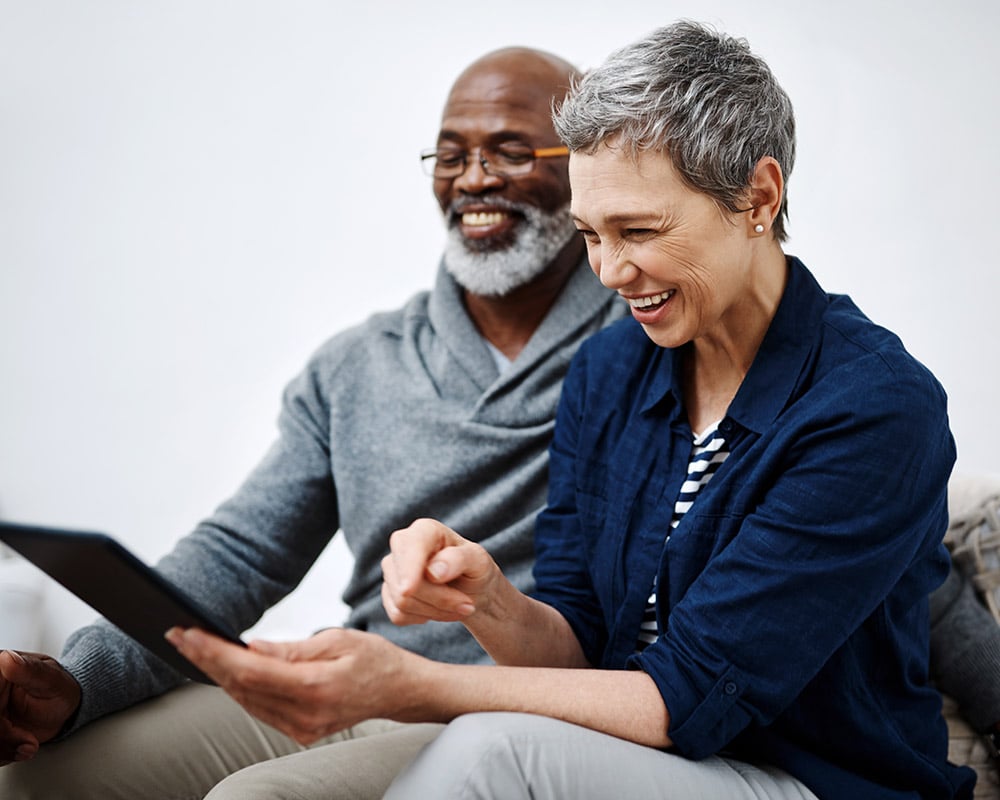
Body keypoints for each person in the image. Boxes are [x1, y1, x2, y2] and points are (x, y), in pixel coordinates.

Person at [162, 21, 979, 799]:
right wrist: (487, 598)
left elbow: (684, 696)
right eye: (590, 234)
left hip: (809, 780)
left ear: (758, 197)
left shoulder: (874, 408)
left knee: (491, 753)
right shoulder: (611, 368)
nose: (611, 271)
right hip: (643, 760)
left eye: (639, 230)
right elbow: (579, 644)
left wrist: (410, 684)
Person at [0, 46, 627, 799]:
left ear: (587, 166)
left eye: (511, 151)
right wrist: (79, 680)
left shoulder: (643, 345)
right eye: (450, 155)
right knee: (45, 778)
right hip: (358, 682)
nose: (473, 179)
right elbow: (240, 557)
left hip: (509, 713)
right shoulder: (358, 363)